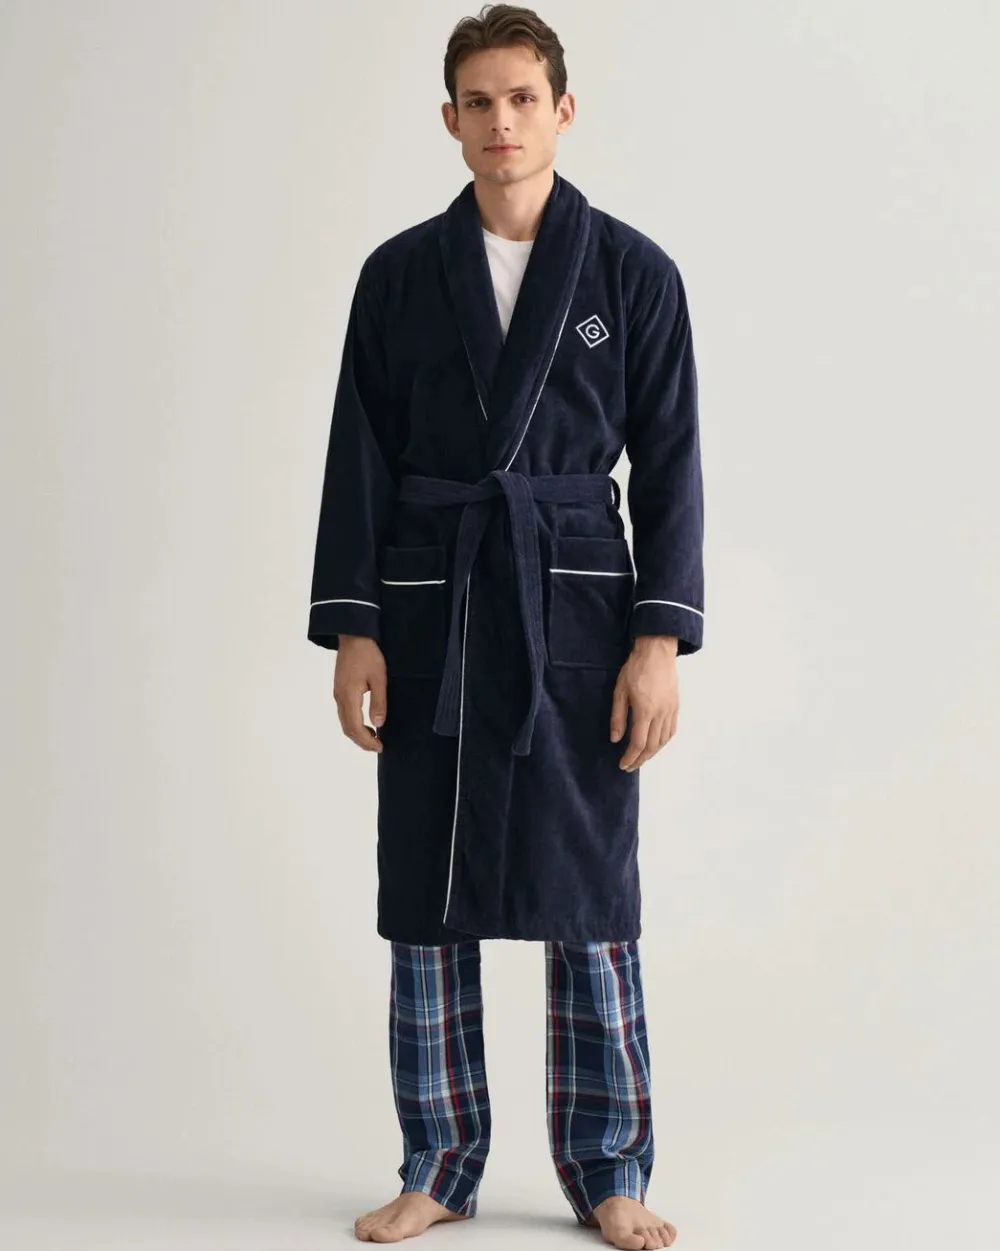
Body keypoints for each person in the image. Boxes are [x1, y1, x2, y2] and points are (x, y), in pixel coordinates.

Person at [307, 6, 704, 1247]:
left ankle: (610, 1169)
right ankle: (439, 1162)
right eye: (477, 102)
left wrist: (656, 641)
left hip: (574, 608)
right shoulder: (398, 275)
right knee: (428, 891)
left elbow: (672, 467)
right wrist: (357, 626)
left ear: (562, 110)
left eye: (523, 98)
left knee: (589, 895)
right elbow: (359, 458)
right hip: (434, 608)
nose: (502, 122)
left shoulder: (631, 273)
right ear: (449, 119)